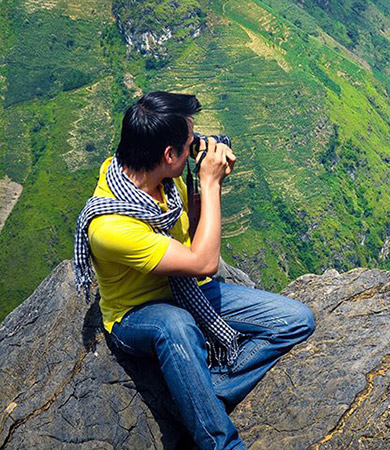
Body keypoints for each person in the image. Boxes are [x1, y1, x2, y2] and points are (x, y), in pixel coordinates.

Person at [73, 91, 315, 449]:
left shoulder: (159, 180)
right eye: (189, 144)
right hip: (135, 314)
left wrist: (204, 185)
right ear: (168, 155)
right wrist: (213, 183)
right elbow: (204, 262)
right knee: (175, 325)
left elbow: (194, 232)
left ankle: (200, 394)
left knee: (295, 320)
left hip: (186, 290)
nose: (196, 146)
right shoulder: (111, 226)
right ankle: (221, 441)